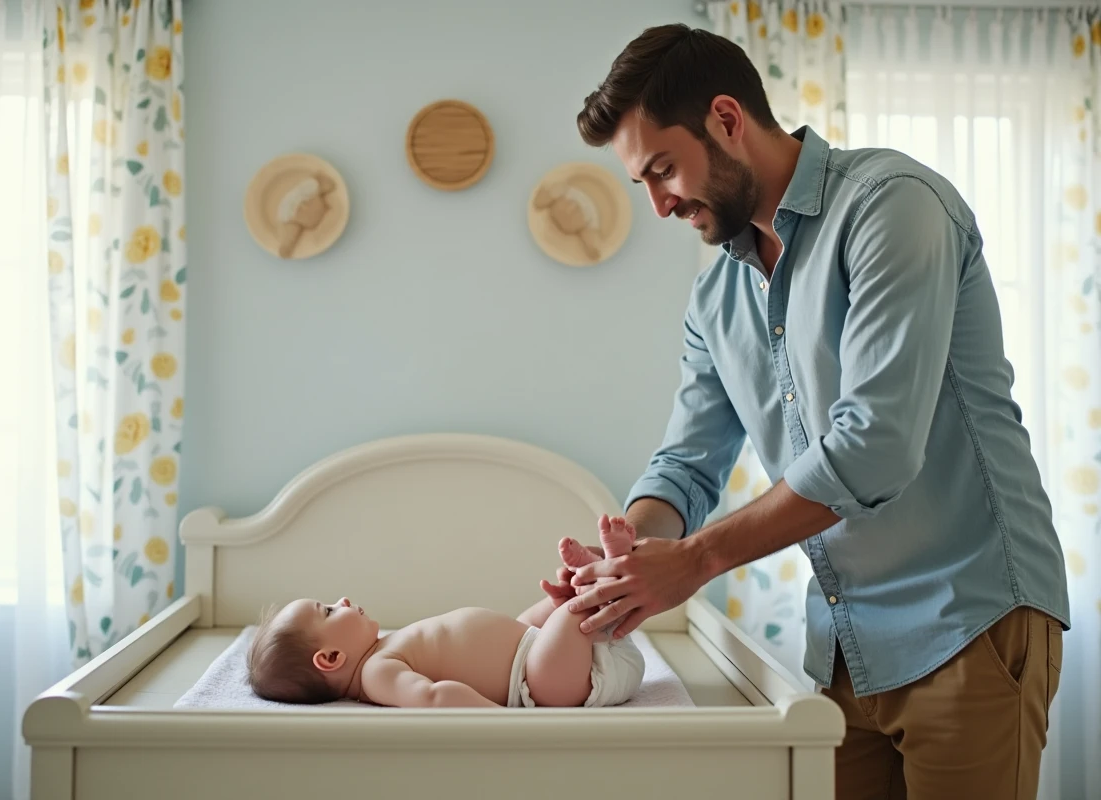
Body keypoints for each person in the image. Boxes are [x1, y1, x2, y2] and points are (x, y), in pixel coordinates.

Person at [549, 22, 1072, 800]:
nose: (660, 205)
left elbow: (875, 448)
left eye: (665, 170)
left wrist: (693, 563)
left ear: (727, 119)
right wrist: (631, 560)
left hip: (969, 619)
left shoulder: (892, 207)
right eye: (643, 184)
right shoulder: (715, 297)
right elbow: (687, 465)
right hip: (842, 650)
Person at [245, 517, 644, 709]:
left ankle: (584, 583)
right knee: (573, 613)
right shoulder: (376, 672)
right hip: (543, 684)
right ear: (331, 659)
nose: (343, 600)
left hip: (538, 655)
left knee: (534, 618)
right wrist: (508, 721)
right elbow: (435, 698)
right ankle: (605, 572)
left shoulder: (383, 648)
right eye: (329, 611)